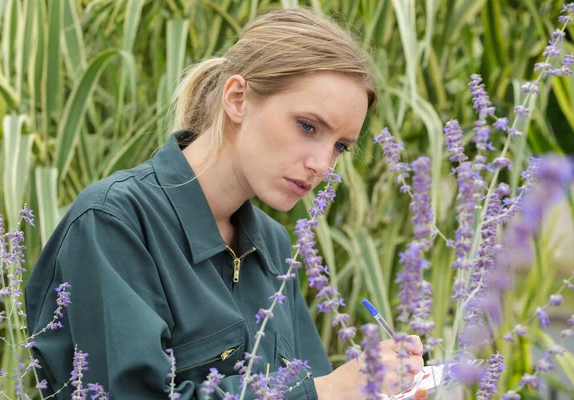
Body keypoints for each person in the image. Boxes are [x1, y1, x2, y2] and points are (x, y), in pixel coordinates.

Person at [25, 7, 428, 400]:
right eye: (308, 126)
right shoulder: (115, 222)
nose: (322, 164)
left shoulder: (272, 246)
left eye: (340, 146)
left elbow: (312, 383)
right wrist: (322, 392)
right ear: (237, 98)